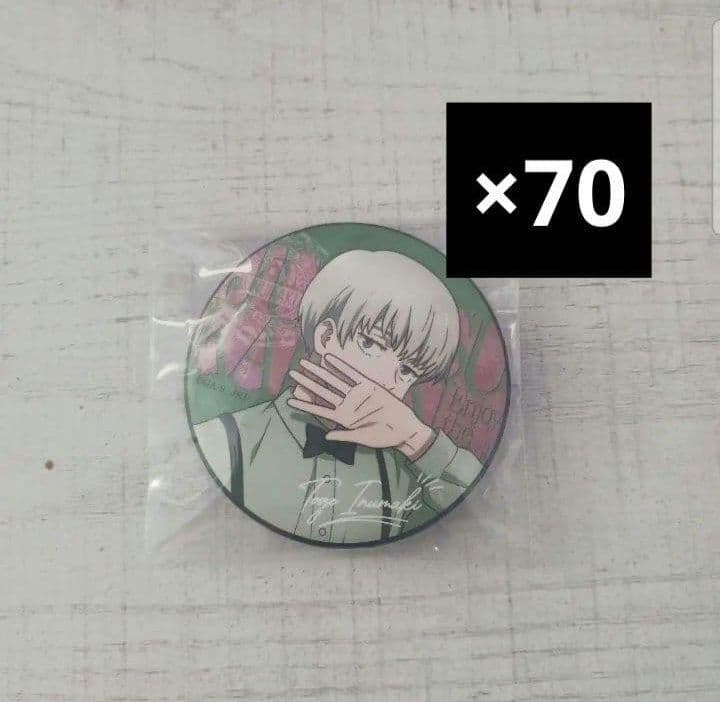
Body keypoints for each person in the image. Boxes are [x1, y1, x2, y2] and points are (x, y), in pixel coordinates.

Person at [193, 249, 482, 544]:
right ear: (326, 337)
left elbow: (482, 503)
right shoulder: (227, 438)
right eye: (371, 344)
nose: (387, 380)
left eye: (407, 370)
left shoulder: (404, 471)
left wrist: (417, 439)